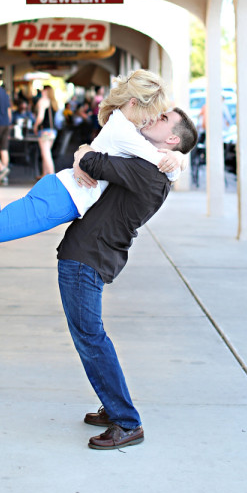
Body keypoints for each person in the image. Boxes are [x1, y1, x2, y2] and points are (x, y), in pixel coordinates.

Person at [57, 106, 198, 450]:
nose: (153, 116)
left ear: (172, 139)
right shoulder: (154, 166)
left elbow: (94, 162)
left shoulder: (149, 171)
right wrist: (84, 153)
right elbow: (98, 151)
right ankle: (114, 407)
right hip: (89, 253)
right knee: (90, 336)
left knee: (90, 338)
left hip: (87, 257)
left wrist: (82, 154)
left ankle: (127, 421)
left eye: (163, 118)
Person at [0, 70, 182, 242]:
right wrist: (178, 161)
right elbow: (167, 169)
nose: (150, 119)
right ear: (134, 103)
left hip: (61, 192)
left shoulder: (121, 124)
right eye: (151, 112)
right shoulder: (125, 132)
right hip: (64, 197)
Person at [33, 84, 59, 176]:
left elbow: (40, 117)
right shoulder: (53, 102)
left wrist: (35, 126)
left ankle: (52, 176)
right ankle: (45, 176)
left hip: (44, 131)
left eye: (44, 90)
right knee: (46, 153)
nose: (42, 91)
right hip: (52, 131)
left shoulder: (43, 101)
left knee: (46, 154)